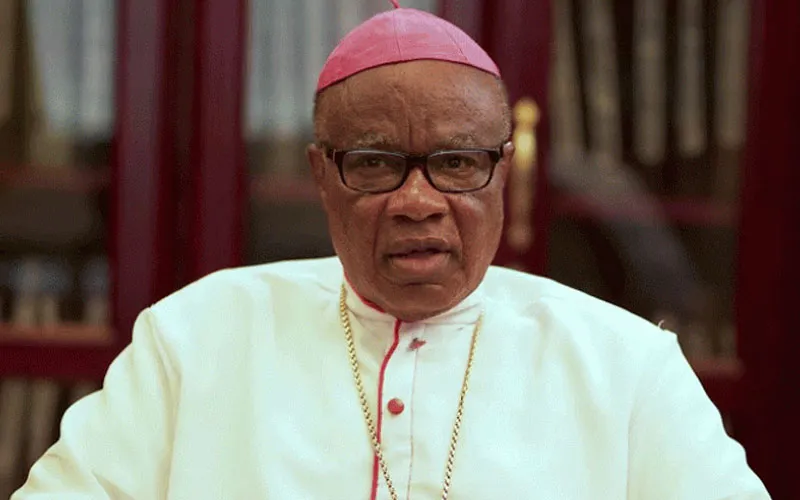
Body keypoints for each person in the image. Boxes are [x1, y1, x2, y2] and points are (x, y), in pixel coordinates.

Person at [14, 4, 770, 499]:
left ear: (504, 171)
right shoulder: (195, 337)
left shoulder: (628, 368)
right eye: (374, 163)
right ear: (320, 174)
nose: (418, 200)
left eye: (458, 162)